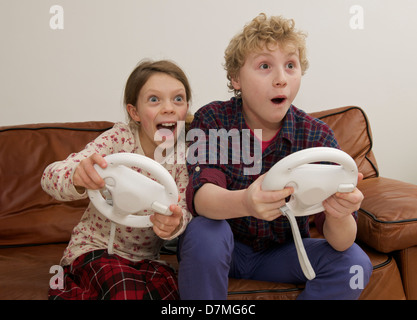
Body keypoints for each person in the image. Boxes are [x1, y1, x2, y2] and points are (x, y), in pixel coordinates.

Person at [178, 13, 372, 300]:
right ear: (236, 79)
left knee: (354, 262)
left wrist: (340, 214)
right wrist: (246, 202)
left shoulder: (317, 137)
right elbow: (201, 197)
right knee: (206, 232)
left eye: (290, 66)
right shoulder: (213, 118)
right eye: (265, 66)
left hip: (282, 253)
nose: (281, 79)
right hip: (223, 246)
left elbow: (341, 241)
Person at [42, 59, 193, 300]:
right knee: (124, 289)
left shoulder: (184, 157)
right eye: (155, 99)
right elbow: (50, 176)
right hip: (95, 250)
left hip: (145, 261)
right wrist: (78, 177)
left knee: (170, 294)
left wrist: (175, 223)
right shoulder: (117, 139)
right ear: (134, 112)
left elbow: (184, 211)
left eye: (178, 99)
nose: (169, 108)